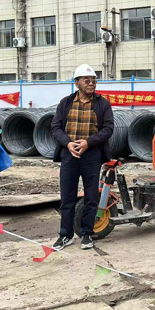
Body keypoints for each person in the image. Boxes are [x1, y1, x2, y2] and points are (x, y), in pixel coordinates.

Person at [51, 64, 114, 251]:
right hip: (69, 155)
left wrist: (88, 143)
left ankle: (87, 234)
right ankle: (66, 235)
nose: (91, 83)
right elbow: (56, 127)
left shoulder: (102, 104)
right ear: (76, 82)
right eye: (87, 80)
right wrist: (68, 144)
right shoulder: (66, 103)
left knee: (91, 196)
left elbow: (108, 129)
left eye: (93, 80)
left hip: (91, 155)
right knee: (67, 196)